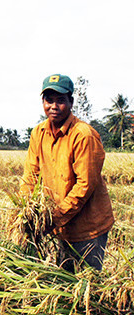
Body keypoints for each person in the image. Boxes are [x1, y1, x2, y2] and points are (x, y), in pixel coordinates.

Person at [19, 74, 114, 273]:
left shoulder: (83, 135)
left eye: (60, 100)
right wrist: (26, 213)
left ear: (71, 102)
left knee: (87, 286)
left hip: (88, 228)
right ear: (43, 102)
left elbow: (84, 186)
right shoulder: (38, 133)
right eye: (49, 100)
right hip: (61, 226)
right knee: (65, 280)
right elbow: (31, 176)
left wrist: (52, 218)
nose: (54, 106)